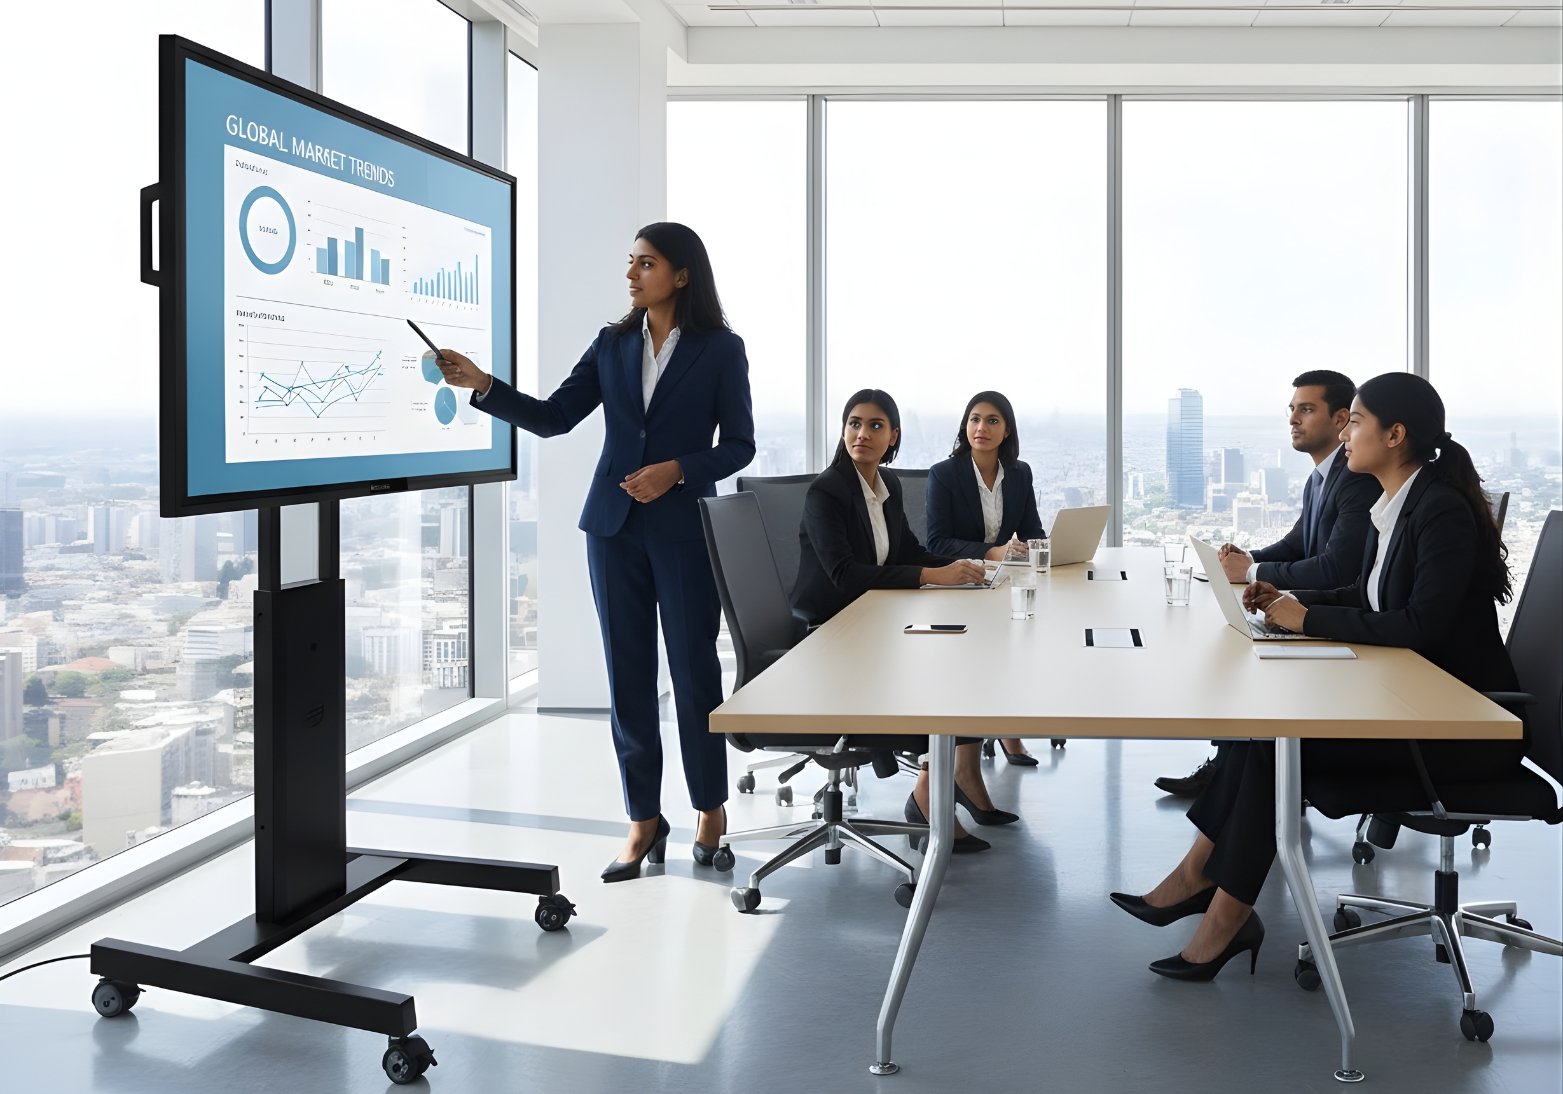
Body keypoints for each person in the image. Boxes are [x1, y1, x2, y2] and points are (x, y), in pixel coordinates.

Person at [1111, 372, 1520, 981]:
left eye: (1356, 421)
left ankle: (1220, 914)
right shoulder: (1399, 501)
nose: (1346, 433)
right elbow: (1366, 592)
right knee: (1262, 735)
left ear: (1396, 434)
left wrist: (1307, 618)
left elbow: (1419, 625)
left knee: (1276, 746)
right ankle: (1204, 885)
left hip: (1454, 728)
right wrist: (1291, 600)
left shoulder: (1439, 512)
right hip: (1408, 699)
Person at [434, 222, 754, 883]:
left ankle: (709, 811)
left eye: (646, 263)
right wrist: (484, 385)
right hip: (612, 530)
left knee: (694, 676)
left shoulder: (720, 349)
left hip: (685, 529)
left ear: (681, 274)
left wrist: (677, 469)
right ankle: (642, 821)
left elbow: (740, 445)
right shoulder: (610, 344)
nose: (632, 274)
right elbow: (555, 417)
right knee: (627, 679)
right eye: (630, 262)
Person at [792, 389, 1008, 852]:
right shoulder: (826, 492)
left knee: (971, 659)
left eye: (874, 426)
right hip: (834, 637)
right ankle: (930, 797)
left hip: (875, 623)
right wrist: (933, 575)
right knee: (948, 673)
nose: (861, 434)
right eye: (854, 423)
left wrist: (965, 569)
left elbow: (908, 552)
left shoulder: (887, 488)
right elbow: (845, 574)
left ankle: (932, 792)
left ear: (893, 436)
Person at [1154, 370, 1378, 799]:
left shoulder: (1356, 480)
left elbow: (1336, 568)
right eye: (1292, 410)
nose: (1293, 419)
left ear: (1340, 419)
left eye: (1306, 409)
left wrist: (1252, 574)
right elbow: (1298, 543)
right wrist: (1250, 560)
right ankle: (1230, 771)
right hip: (1322, 610)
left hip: (1343, 623)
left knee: (1243, 661)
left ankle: (1237, 779)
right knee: (1237, 645)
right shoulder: (1322, 476)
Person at [926, 390, 1046, 767]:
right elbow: (936, 542)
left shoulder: (1019, 473)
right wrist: (990, 551)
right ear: (966, 426)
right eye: (975, 419)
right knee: (980, 658)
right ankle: (967, 764)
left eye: (993, 420)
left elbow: (1031, 531)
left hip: (999, 585)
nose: (982, 427)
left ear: (1006, 430)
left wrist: (1029, 548)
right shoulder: (944, 475)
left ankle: (1008, 728)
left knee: (1017, 643)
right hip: (958, 587)